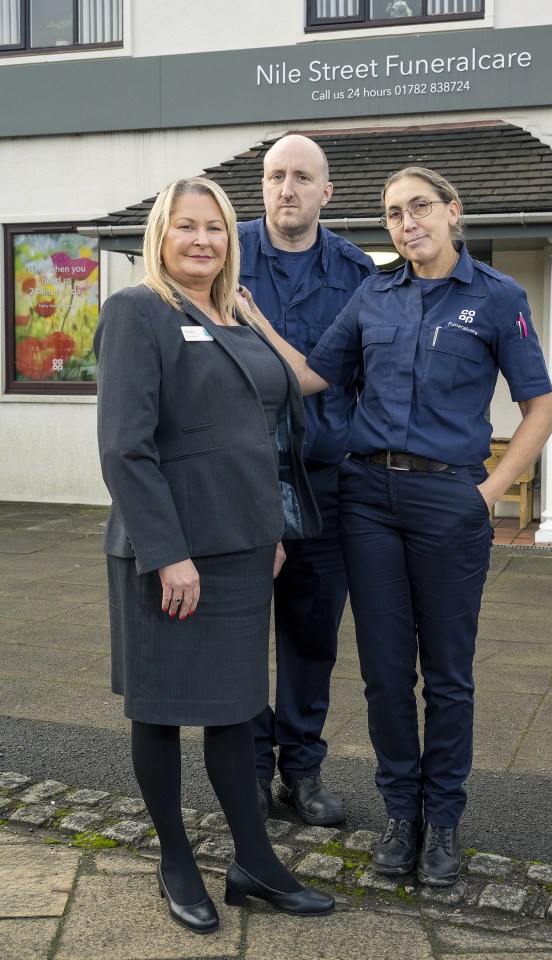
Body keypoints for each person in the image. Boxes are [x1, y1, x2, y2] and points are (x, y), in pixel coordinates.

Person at [240, 165, 552, 887]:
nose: (406, 223)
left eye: (418, 208)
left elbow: (540, 407)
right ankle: (401, 815)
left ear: (452, 211)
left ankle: (443, 820)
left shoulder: (497, 298)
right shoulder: (373, 292)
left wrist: (489, 494)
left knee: (447, 676)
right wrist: (254, 321)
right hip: (368, 500)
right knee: (384, 675)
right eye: (391, 214)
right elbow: (313, 377)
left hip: (450, 502)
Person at [94, 176, 335, 934]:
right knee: (162, 711)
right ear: (160, 236)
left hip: (240, 548)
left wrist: (266, 532)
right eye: (187, 227)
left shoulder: (233, 315)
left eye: (218, 229)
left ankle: (254, 861)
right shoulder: (138, 313)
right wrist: (169, 555)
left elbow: (258, 432)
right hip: (171, 551)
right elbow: (126, 449)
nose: (203, 240)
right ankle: (175, 861)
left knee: (236, 711)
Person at [238, 134, 376, 825]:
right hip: (237, 481)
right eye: (274, 176)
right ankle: (249, 771)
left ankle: (302, 770)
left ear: (328, 192)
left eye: (301, 177)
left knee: (312, 634)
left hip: (324, 484)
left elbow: (369, 382)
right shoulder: (222, 254)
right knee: (237, 630)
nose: (285, 188)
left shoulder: (357, 272)